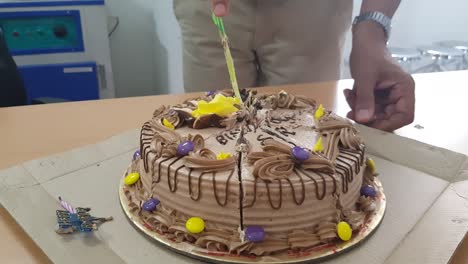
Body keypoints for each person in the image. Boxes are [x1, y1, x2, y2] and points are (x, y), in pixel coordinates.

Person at [173, 0, 415, 131]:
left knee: (305, 137)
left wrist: (373, 25)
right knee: (209, 131)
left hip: (314, 12)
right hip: (209, 7)